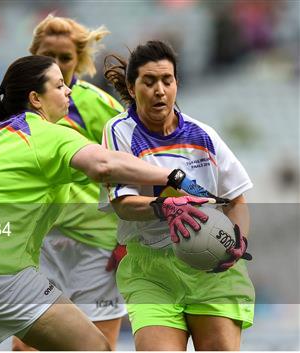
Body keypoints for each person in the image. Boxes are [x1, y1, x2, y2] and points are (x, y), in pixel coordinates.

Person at [0, 55, 216, 351]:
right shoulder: (48, 133)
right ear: (35, 98)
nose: (68, 91)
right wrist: (172, 176)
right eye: (60, 85)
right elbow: (105, 163)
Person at [102, 40, 255, 351]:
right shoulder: (119, 132)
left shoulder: (204, 135)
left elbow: (237, 201)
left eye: (166, 80)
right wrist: (165, 207)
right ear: (132, 88)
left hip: (213, 268)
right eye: (149, 81)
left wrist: (237, 242)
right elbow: (123, 205)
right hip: (152, 271)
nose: (160, 90)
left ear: (176, 85)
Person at [12, 15, 127, 351]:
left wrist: (127, 239)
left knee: (98, 345)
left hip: (97, 245)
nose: (58, 65)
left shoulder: (97, 105)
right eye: (49, 56)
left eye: (66, 58)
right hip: (40, 240)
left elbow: (130, 166)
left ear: (79, 59)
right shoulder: (18, 108)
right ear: (34, 55)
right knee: (24, 347)